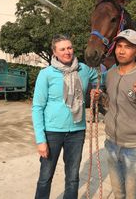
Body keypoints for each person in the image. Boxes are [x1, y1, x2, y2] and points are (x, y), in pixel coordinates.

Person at [32, 34, 102, 199]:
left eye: (69, 48)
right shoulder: (46, 74)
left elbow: (101, 78)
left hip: (77, 132)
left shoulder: (83, 70)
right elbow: (37, 107)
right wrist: (40, 140)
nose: (67, 52)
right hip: (52, 133)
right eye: (62, 49)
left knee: (72, 178)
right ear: (54, 52)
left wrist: (96, 90)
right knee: (45, 177)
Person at [93, 29, 136, 199]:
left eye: (128, 47)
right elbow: (112, 105)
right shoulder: (111, 75)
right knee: (118, 194)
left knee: (133, 196)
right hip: (111, 144)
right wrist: (100, 98)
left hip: (134, 148)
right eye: (119, 46)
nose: (121, 51)